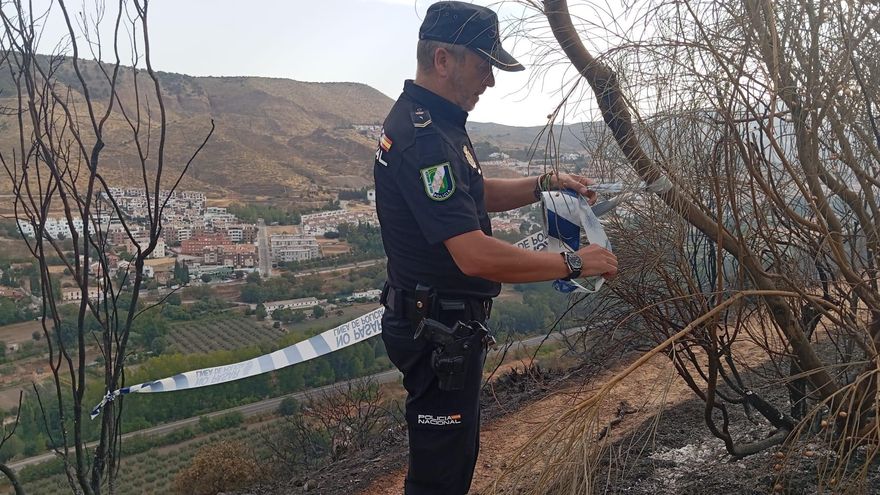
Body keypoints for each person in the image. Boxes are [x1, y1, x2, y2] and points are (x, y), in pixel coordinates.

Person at [373, 2, 618, 493]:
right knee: (440, 478)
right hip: (435, 329)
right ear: (444, 60)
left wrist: (543, 183)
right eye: (484, 65)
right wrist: (573, 262)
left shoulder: (437, 124)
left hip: (442, 323)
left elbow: (470, 195)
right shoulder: (426, 140)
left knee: (452, 461)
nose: (490, 80)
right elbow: (475, 254)